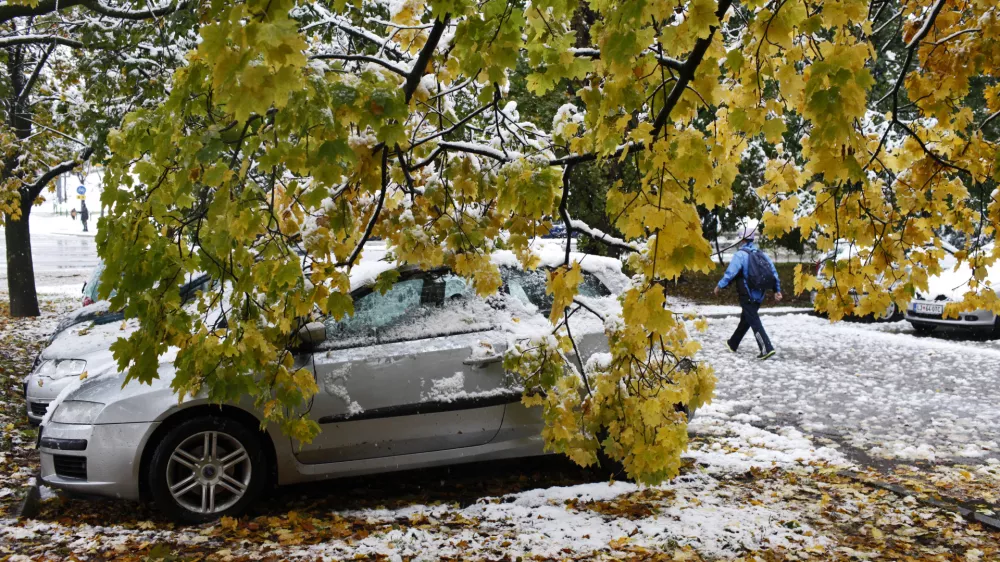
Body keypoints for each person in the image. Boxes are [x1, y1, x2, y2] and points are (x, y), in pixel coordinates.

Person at [713, 226, 782, 360]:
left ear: (742, 240)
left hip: (746, 294)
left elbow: (730, 273)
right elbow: (774, 274)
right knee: (746, 319)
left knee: (753, 321)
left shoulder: (740, 255)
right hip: (759, 294)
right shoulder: (762, 254)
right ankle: (732, 343)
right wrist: (776, 290)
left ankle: (766, 348)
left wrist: (719, 286)